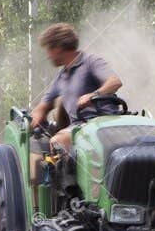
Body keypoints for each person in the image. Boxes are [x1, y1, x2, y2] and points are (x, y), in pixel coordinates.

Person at [30, 23, 123, 151]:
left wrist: (93, 95)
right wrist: (35, 117)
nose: (48, 55)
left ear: (58, 48)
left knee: (58, 141)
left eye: (48, 50)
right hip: (81, 127)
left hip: (104, 123)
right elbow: (43, 105)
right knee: (56, 142)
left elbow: (115, 82)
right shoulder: (60, 77)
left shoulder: (91, 61)